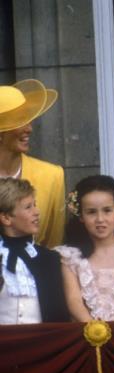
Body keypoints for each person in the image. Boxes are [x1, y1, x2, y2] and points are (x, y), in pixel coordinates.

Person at [54, 175, 114, 322]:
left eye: (107, 210)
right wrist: (95, 331)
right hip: (86, 332)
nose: (100, 219)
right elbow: (74, 301)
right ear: (80, 216)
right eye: (91, 212)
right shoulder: (70, 257)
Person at [0, 79, 65, 248]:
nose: (29, 129)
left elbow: (53, 243)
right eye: (21, 121)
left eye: (28, 121)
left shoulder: (52, 176)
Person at [0, 178, 69, 324]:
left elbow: (59, 314)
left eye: (35, 205)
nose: (37, 212)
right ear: (6, 218)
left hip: (41, 344)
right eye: (28, 207)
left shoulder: (49, 259)